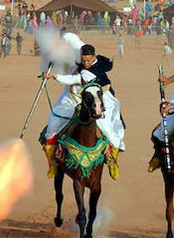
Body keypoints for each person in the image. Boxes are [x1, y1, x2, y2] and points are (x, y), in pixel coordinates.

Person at [43, 38, 125, 180]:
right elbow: (71, 38)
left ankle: (112, 160)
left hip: (99, 100)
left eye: (88, 61)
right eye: (83, 61)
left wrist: (55, 76)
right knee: (54, 124)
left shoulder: (91, 72)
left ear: (94, 57)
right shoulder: (82, 56)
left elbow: (73, 79)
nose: (86, 64)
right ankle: (53, 162)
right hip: (78, 99)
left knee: (106, 128)